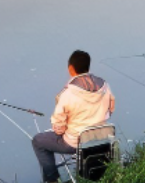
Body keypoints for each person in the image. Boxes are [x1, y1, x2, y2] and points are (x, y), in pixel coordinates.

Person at [32, 50, 115, 183]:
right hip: (101, 138)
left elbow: (58, 127)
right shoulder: (105, 86)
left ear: (70, 68)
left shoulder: (68, 94)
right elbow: (110, 110)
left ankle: (52, 180)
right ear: (88, 66)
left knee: (38, 141)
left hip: (76, 143)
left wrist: (61, 131)